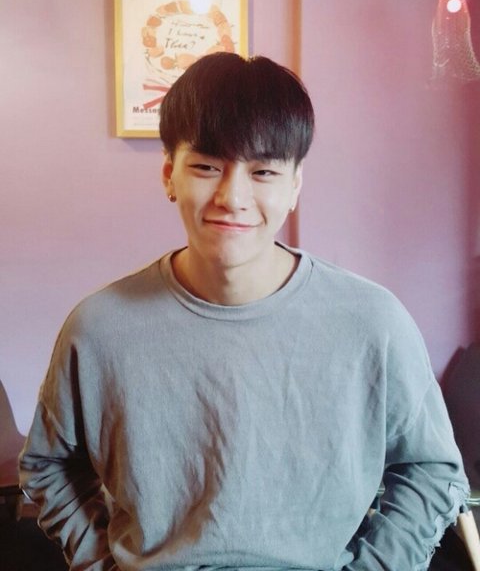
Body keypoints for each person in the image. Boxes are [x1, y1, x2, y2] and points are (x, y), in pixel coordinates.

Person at [19, 53, 470, 571]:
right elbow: (48, 465)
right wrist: (100, 563)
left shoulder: (373, 322)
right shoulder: (98, 328)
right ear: (169, 174)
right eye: (206, 167)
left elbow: (432, 468)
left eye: (263, 172)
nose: (232, 197)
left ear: (295, 185)